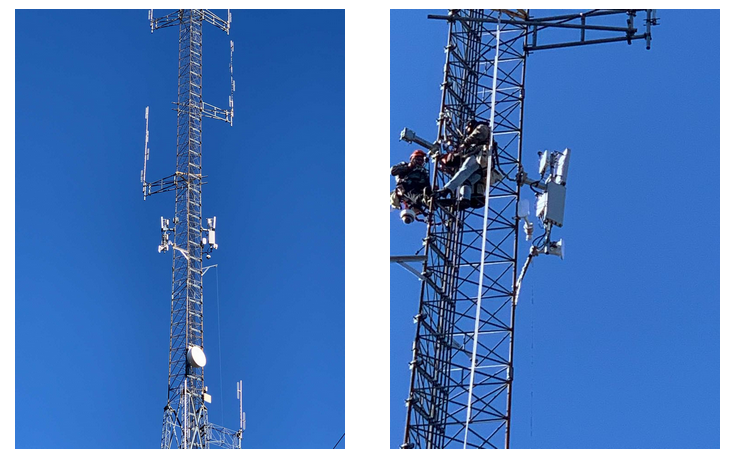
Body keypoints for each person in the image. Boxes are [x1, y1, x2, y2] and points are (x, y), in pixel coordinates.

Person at [435, 119, 498, 208]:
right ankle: (465, 200)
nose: (467, 130)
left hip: (480, 157)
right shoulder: (476, 143)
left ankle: (446, 189)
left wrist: (464, 144)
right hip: (483, 168)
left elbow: (478, 134)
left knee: (464, 171)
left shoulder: (482, 127)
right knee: (466, 181)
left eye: (468, 128)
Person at [390, 150, 430, 222]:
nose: (419, 161)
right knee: (414, 195)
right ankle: (423, 200)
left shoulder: (423, 173)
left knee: (428, 196)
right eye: (417, 159)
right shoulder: (405, 166)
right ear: (412, 159)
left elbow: (427, 186)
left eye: (421, 160)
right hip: (406, 189)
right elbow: (393, 171)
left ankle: (437, 201)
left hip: (418, 192)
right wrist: (408, 167)